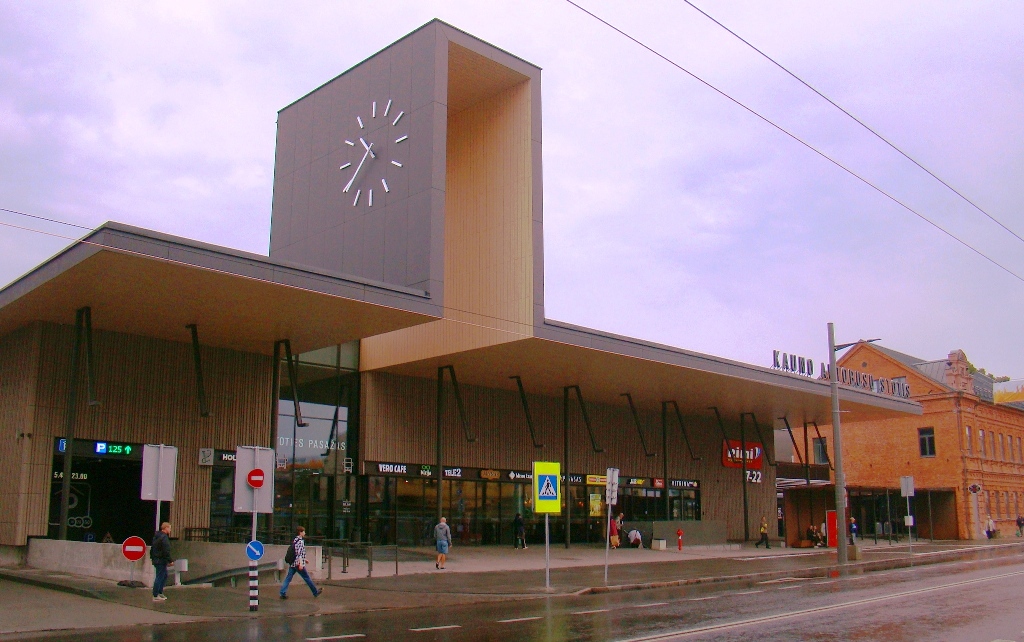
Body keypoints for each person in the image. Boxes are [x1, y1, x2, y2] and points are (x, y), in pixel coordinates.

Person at [279, 526, 322, 599]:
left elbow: (296, 553)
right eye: (303, 531)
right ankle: (315, 592)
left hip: (293, 563)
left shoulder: (295, 540)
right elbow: (299, 553)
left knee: (288, 578)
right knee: (307, 577)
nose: (304, 533)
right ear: (300, 532)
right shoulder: (300, 541)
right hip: (298, 563)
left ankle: (282, 592)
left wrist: (304, 559)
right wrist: (301, 563)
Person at [150, 522, 173, 602]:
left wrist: (152, 558)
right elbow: (166, 550)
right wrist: (170, 560)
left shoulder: (157, 536)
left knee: (164, 575)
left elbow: (152, 549)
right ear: (166, 528)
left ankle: (159, 592)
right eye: (169, 528)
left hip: (156, 559)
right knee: (160, 576)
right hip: (161, 560)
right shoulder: (164, 538)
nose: (170, 530)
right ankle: (156, 594)